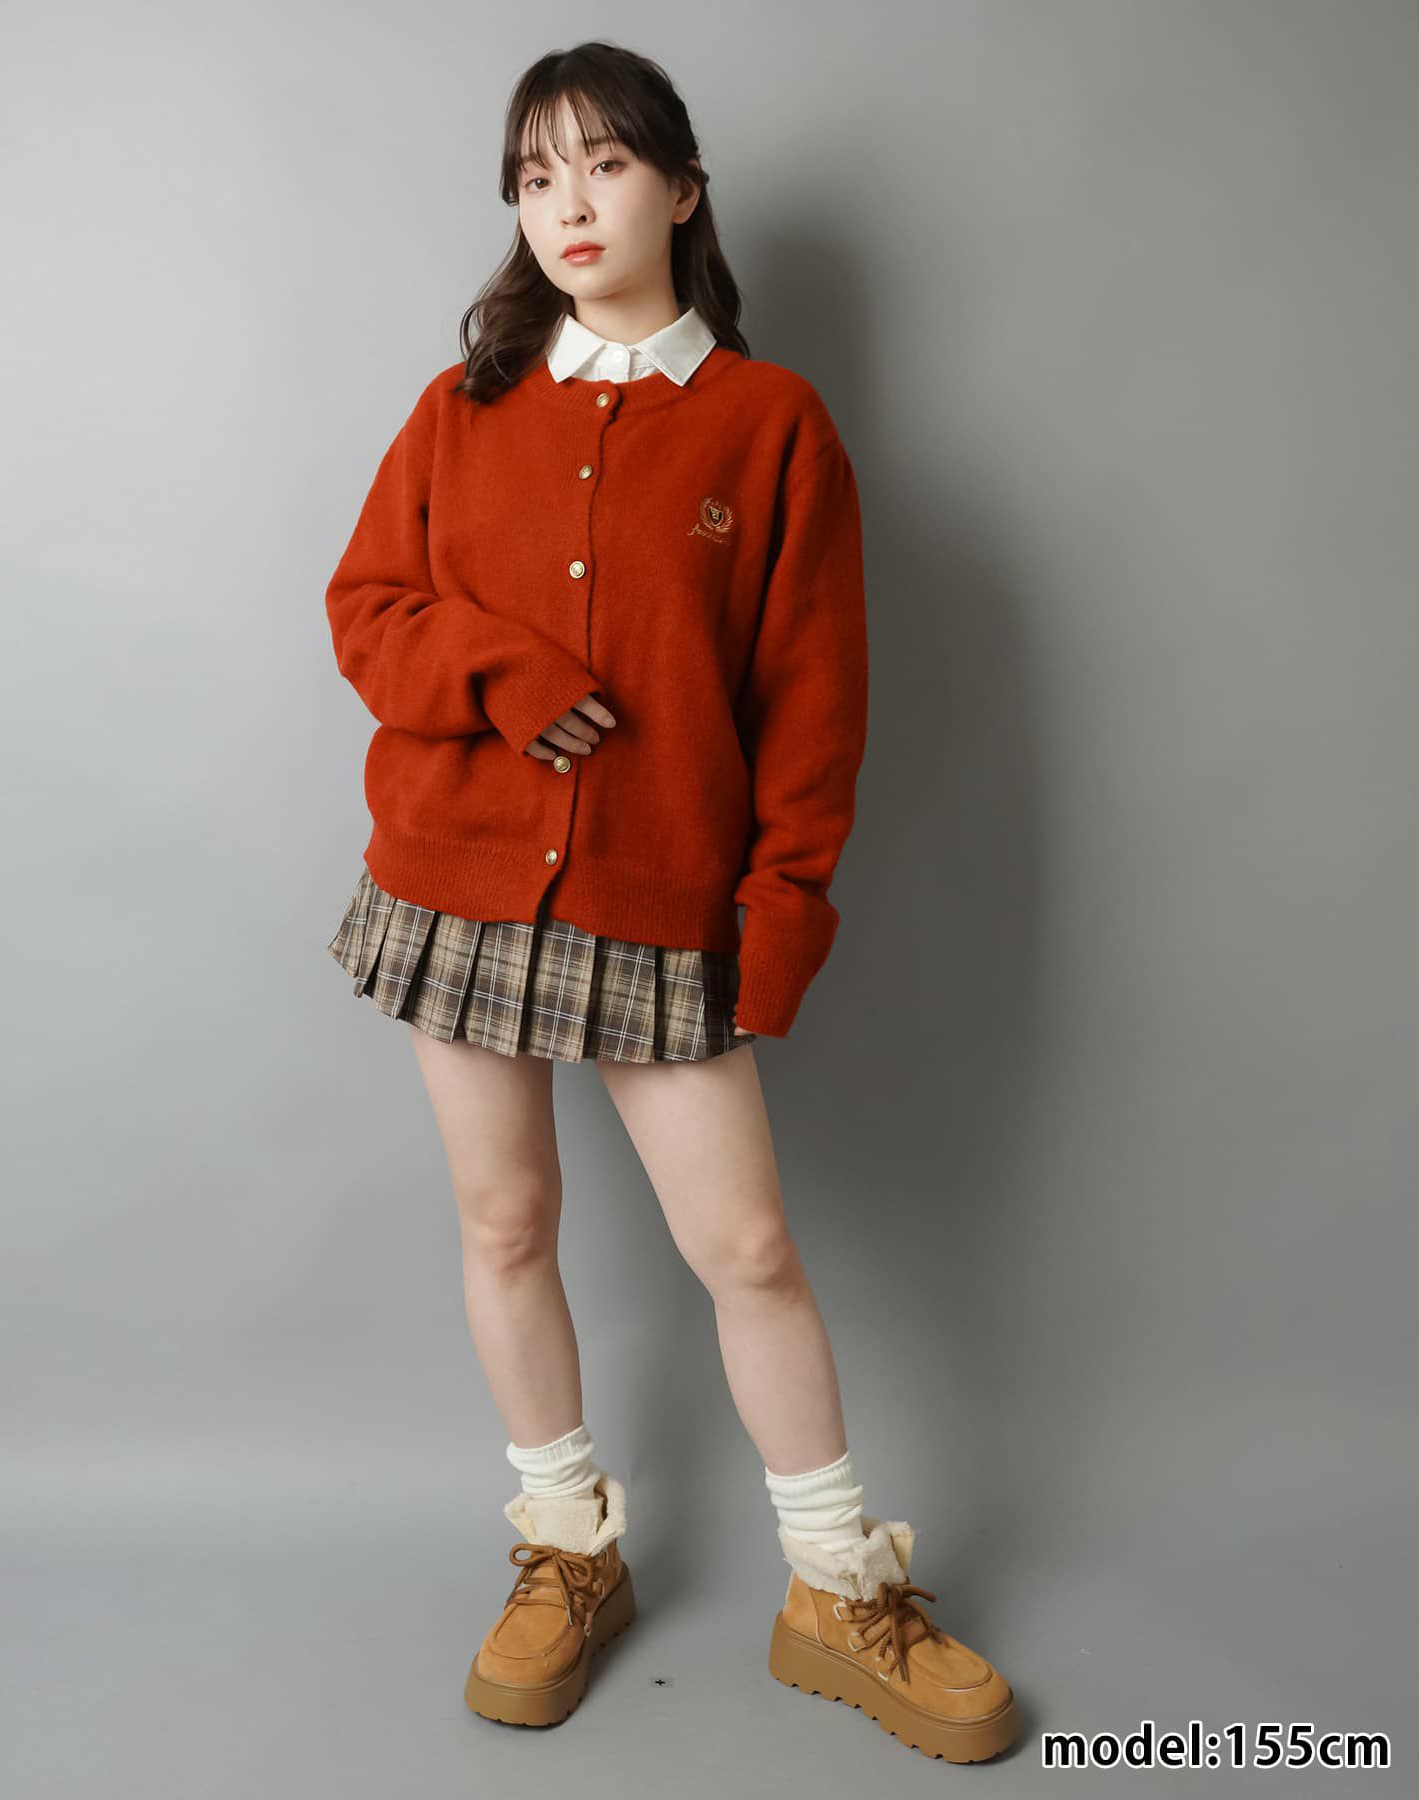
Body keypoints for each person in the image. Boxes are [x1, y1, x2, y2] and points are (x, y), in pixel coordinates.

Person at [323, 38, 1016, 1763]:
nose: (567, 203)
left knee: (749, 1251)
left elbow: (814, 710)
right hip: (456, 881)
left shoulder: (771, 428)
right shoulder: (462, 408)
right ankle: (570, 1550)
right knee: (505, 1225)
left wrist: (775, 923)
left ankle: (837, 1587)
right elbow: (368, 609)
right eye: (534, 174)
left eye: (605, 164)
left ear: (682, 189)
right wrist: (495, 671)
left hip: (658, 906)